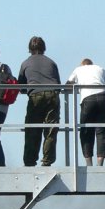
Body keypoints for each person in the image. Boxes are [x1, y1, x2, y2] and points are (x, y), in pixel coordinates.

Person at [18, 36, 61, 166]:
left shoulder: (25, 63)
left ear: (30, 48)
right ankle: (47, 160)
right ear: (44, 47)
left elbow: (21, 86)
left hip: (35, 96)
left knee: (32, 129)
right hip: (52, 95)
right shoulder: (51, 62)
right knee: (50, 130)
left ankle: (30, 161)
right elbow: (58, 84)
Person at [66, 58, 105, 166]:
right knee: (102, 131)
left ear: (82, 65)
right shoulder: (100, 68)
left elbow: (68, 83)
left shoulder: (78, 69)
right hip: (102, 97)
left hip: (87, 99)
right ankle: (100, 163)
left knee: (86, 131)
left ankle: (89, 163)